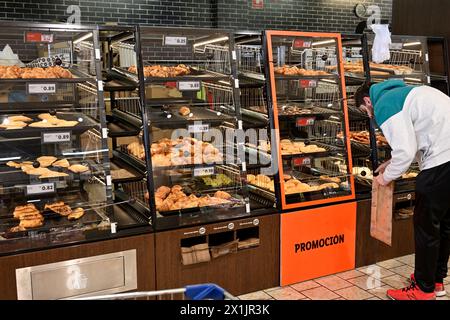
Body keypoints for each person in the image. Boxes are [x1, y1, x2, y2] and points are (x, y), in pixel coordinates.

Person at [354, 79, 450, 300]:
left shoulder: (384, 103)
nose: (370, 117)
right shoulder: (408, 93)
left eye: (365, 111)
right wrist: (391, 162)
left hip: (440, 162)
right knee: (443, 225)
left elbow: (406, 153)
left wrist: (384, 179)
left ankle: (423, 290)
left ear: (368, 100)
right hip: (447, 158)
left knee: (426, 228)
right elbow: (418, 138)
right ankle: (435, 281)